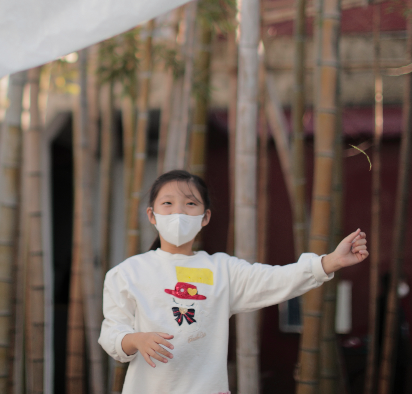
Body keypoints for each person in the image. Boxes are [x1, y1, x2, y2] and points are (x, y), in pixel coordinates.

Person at [98, 169, 369, 394]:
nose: (178, 212)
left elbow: (274, 279)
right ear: (152, 215)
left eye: (190, 204)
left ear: (205, 217)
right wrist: (136, 339)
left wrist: (330, 262)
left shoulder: (222, 270)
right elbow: (111, 334)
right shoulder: (127, 273)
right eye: (167, 203)